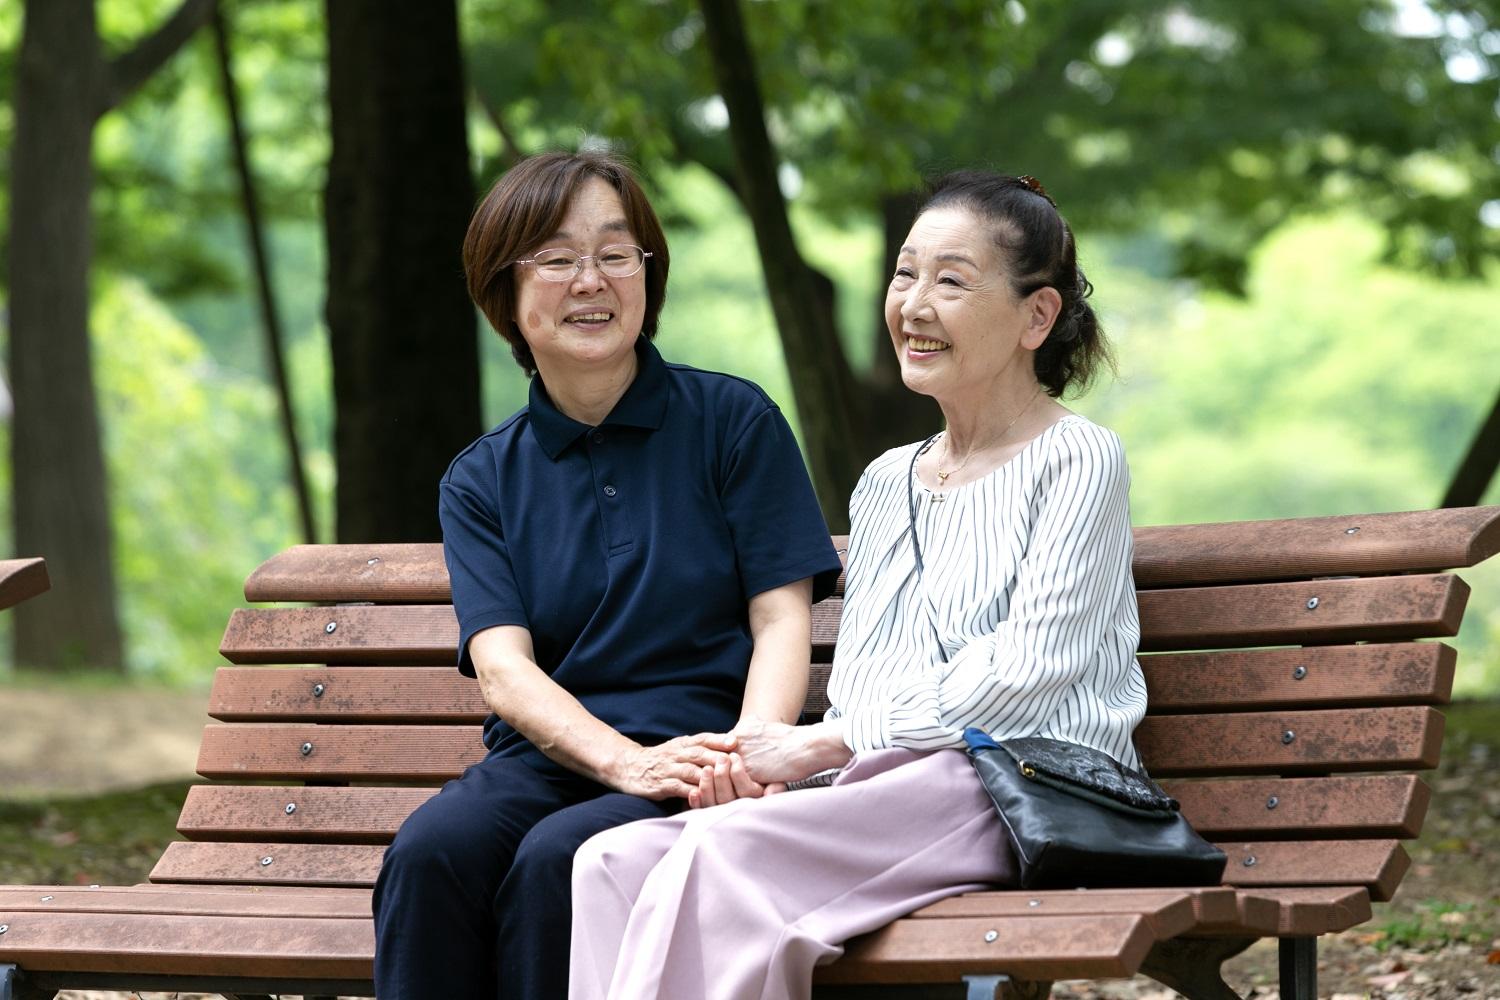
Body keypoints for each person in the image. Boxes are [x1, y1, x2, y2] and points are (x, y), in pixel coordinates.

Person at [568, 170, 1150, 1000]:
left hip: (1019, 788)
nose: (914, 303)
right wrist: (777, 764)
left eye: (951, 281)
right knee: (610, 862)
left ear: (1037, 315)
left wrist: (818, 746)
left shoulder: (1078, 458)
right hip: (885, 785)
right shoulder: (886, 481)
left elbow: (1027, 679)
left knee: (718, 859)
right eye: (906, 273)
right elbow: (866, 678)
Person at [371, 151, 844, 1000]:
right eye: (556, 259)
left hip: (701, 754)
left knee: (567, 859)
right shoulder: (480, 479)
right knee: (430, 853)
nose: (590, 281)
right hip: (553, 759)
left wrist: (749, 760)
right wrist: (625, 762)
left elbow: (781, 618)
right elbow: (504, 671)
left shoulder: (734, 422)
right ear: (505, 295)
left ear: (646, 275)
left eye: (616, 254)